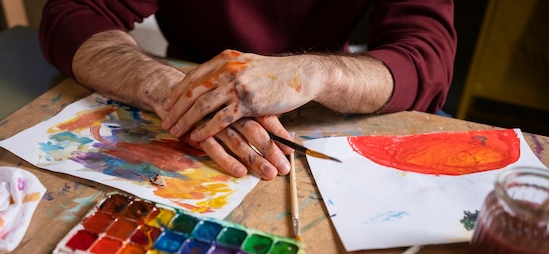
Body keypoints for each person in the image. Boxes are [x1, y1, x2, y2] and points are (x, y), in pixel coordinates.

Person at [39, 0, 456, 180]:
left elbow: (427, 57)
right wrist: (175, 90)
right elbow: (73, 14)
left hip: (322, 106)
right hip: (186, 95)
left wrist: (316, 72)